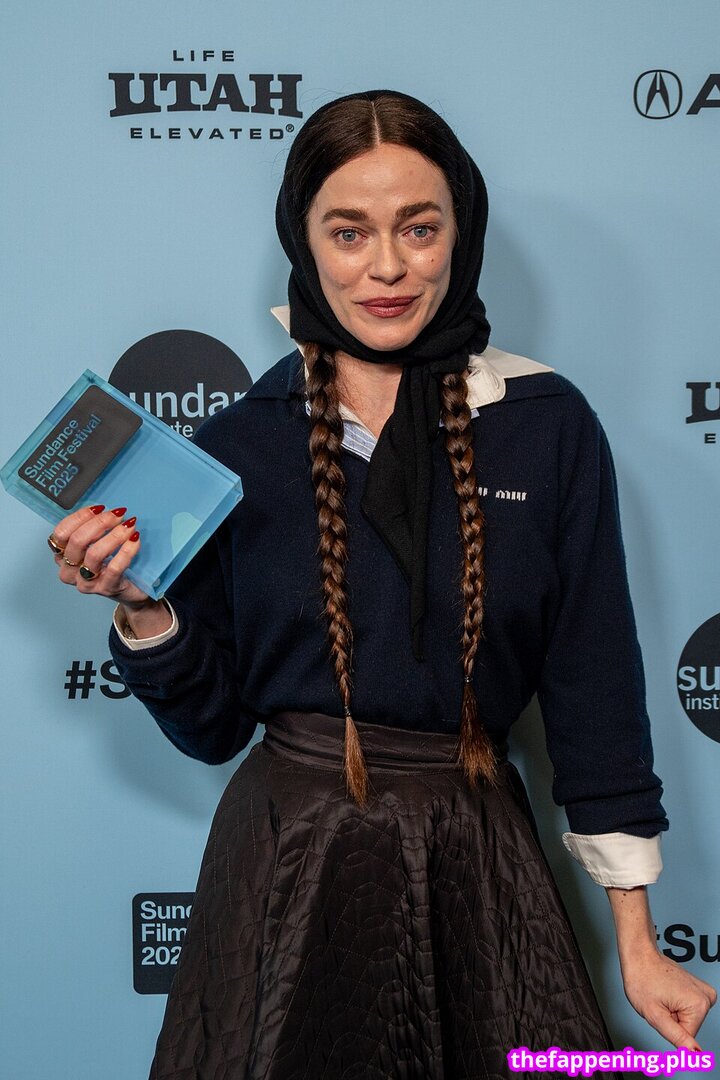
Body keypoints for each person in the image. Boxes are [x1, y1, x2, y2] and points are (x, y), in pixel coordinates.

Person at [49, 89, 715, 1078]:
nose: (388, 266)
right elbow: (212, 729)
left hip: (478, 860)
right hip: (286, 862)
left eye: (419, 227)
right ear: (305, 239)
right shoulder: (239, 443)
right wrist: (144, 609)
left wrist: (637, 943)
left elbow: (596, 692)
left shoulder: (546, 424)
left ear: (461, 232)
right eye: (350, 231)